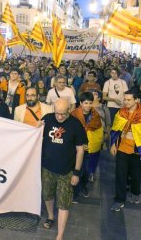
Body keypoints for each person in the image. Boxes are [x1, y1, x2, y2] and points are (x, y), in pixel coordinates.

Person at [40, 98, 87, 240]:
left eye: (63, 114)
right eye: (57, 113)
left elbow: (80, 150)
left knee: (63, 202)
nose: (60, 117)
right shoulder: (47, 119)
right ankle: (50, 216)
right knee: (47, 195)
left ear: (69, 110)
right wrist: (37, 126)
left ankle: (60, 235)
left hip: (66, 171)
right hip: (47, 168)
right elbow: (35, 135)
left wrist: (77, 173)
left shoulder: (75, 124)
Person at [109, 90, 141, 211]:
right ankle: (119, 199)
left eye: (129, 100)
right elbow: (115, 130)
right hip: (122, 148)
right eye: (125, 99)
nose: (126, 102)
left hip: (137, 150)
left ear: (136, 100)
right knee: (120, 174)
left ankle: (135, 192)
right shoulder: (121, 112)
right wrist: (113, 144)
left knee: (135, 175)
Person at [71, 92, 103, 202]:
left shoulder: (96, 115)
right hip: (77, 148)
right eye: (85, 103)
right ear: (80, 103)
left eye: (90, 103)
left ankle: (84, 186)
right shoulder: (74, 114)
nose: (88, 105)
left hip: (89, 148)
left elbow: (98, 131)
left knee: (86, 171)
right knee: (76, 170)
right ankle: (75, 192)